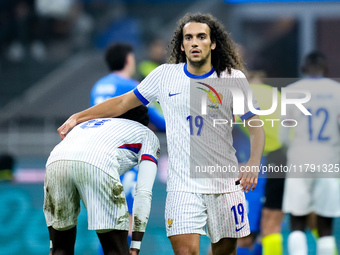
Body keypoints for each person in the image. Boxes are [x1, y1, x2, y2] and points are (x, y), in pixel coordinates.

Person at [58, 13, 265, 255]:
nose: (195, 42)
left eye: (201, 37)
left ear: (214, 43)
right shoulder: (164, 76)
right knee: (185, 252)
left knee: (226, 251)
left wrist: (253, 162)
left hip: (225, 183)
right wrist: (78, 117)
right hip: (182, 186)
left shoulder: (232, 78)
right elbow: (122, 103)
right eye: (189, 38)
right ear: (181, 44)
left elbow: (255, 124)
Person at [44, 106, 160, 255]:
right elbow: (143, 193)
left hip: (55, 161)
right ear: (146, 123)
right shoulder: (146, 134)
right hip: (97, 163)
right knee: (115, 250)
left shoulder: (91, 124)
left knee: (60, 249)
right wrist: (135, 246)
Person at [90, 42, 165, 251]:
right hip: (125, 158)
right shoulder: (130, 86)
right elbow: (157, 119)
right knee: (128, 221)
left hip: (100, 158)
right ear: (129, 60)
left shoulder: (98, 86)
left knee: (108, 222)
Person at [281, 51, 340, 255]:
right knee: (326, 224)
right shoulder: (337, 91)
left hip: (300, 158)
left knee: (297, 220)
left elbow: (283, 135)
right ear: (326, 68)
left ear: (304, 68)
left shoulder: (291, 91)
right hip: (329, 160)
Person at [232, 71, 285, 255]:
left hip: (257, 169)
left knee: (243, 235)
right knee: (270, 227)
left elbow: (227, 124)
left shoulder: (244, 94)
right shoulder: (275, 94)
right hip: (283, 163)